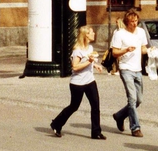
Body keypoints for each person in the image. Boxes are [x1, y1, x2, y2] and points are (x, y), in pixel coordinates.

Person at [50, 26, 105, 139]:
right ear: (86, 35)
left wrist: (95, 65)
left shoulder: (90, 48)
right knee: (74, 106)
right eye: (91, 32)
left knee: (95, 106)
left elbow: (89, 62)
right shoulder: (77, 50)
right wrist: (89, 61)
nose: (94, 33)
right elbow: (75, 67)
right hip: (77, 83)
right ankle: (56, 123)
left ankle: (96, 132)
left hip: (90, 81)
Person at [110, 9, 148, 138]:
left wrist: (149, 51)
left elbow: (143, 48)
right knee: (132, 98)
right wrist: (126, 50)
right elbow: (114, 52)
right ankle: (135, 127)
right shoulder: (119, 34)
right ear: (127, 22)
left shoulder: (141, 32)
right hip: (125, 68)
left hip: (138, 69)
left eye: (136, 21)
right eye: (132, 21)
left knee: (138, 100)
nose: (135, 24)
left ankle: (119, 116)